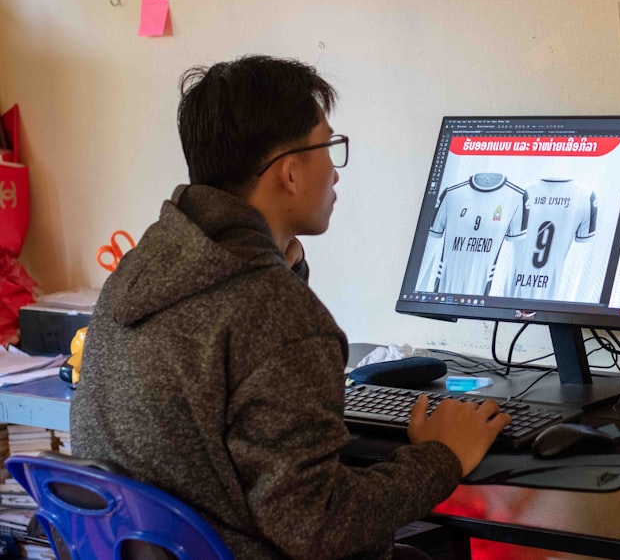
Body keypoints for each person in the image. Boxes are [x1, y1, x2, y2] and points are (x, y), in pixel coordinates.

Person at [70, 55, 511, 559]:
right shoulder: (276, 315)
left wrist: (282, 267)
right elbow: (317, 526)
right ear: (290, 173)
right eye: (329, 146)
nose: (336, 173)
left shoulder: (141, 268)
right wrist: (442, 455)